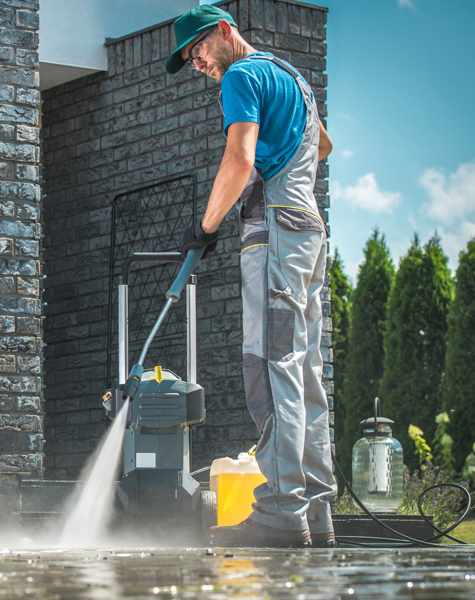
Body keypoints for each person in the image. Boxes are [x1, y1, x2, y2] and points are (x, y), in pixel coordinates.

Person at [166, 5, 335, 548]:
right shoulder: (294, 79)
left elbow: (238, 161)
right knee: (304, 370)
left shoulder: (241, 75)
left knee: (270, 365)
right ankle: (315, 510)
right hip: (308, 228)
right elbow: (323, 147)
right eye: (191, 60)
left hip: (277, 233)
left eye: (198, 50)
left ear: (223, 30)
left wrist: (206, 226)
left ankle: (282, 511)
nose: (198, 63)